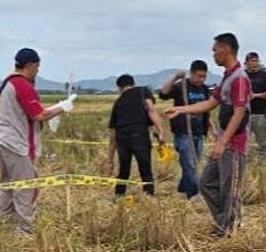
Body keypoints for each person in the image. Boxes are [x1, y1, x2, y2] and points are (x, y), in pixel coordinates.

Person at [165, 33, 251, 237]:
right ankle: (226, 222)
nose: (213, 54)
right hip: (224, 143)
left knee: (229, 189)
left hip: (234, 144)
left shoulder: (239, 78)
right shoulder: (227, 77)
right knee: (205, 182)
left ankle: (226, 229)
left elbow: (240, 112)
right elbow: (211, 104)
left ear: (227, 49)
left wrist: (222, 142)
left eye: (215, 50)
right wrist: (181, 110)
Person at [0, 48, 75, 234]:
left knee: (9, 185)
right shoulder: (22, 85)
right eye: (37, 67)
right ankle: (24, 230)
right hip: (17, 143)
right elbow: (38, 114)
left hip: (4, 141)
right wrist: (62, 108)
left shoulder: (9, 83)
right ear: (29, 66)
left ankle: (1, 222)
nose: (38, 71)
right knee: (26, 186)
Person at [107, 74, 167, 197]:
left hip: (122, 139)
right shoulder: (142, 91)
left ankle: (119, 196)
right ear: (133, 83)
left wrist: (110, 159)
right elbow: (151, 109)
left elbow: (112, 134)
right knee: (145, 170)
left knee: (123, 171)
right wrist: (161, 131)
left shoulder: (118, 102)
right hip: (139, 135)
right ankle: (149, 196)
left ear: (119, 88)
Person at [157, 60, 210, 199]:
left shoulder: (204, 89)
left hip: (199, 132)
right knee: (189, 165)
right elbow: (163, 93)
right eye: (199, 76)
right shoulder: (182, 87)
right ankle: (194, 193)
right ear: (191, 74)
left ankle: (182, 190)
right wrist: (175, 78)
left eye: (204, 76)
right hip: (183, 133)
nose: (202, 79)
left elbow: (206, 110)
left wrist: (212, 127)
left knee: (192, 165)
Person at [245, 52, 266, 162]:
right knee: (244, 141)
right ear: (247, 62)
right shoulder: (242, 75)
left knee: (263, 142)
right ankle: (244, 162)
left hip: (261, 113)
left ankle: (263, 163)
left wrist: (256, 95)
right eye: (253, 61)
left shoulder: (265, 76)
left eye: (257, 61)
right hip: (245, 113)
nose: (255, 63)